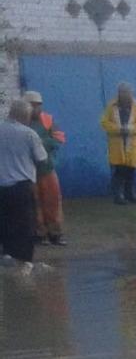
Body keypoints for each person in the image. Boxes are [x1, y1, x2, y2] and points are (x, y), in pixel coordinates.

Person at [0, 99, 48, 269]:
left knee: (4, 222)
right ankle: (24, 262)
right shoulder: (29, 134)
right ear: (25, 116)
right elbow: (42, 159)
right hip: (21, 187)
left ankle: (6, 256)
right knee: (25, 225)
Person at [23, 91, 66, 245]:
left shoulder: (48, 119)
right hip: (29, 170)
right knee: (35, 202)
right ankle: (40, 233)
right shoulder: (21, 122)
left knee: (53, 200)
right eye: (32, 105)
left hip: (47, 168)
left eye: (38, 105)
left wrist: (40, 143)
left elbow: (59, 138)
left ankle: (55, 233)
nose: (36, 108)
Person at [99, 82, 136, 205]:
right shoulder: (111, 106)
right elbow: (104, 123)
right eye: (124, 92)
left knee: (131, 171)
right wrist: (118, 129)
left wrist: (130, 129)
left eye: (129, 92)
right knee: (119, 171)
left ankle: (130, 194)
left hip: (132, 144)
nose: (126, 95)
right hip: (117, 145)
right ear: (119, 93)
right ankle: (118, 196)